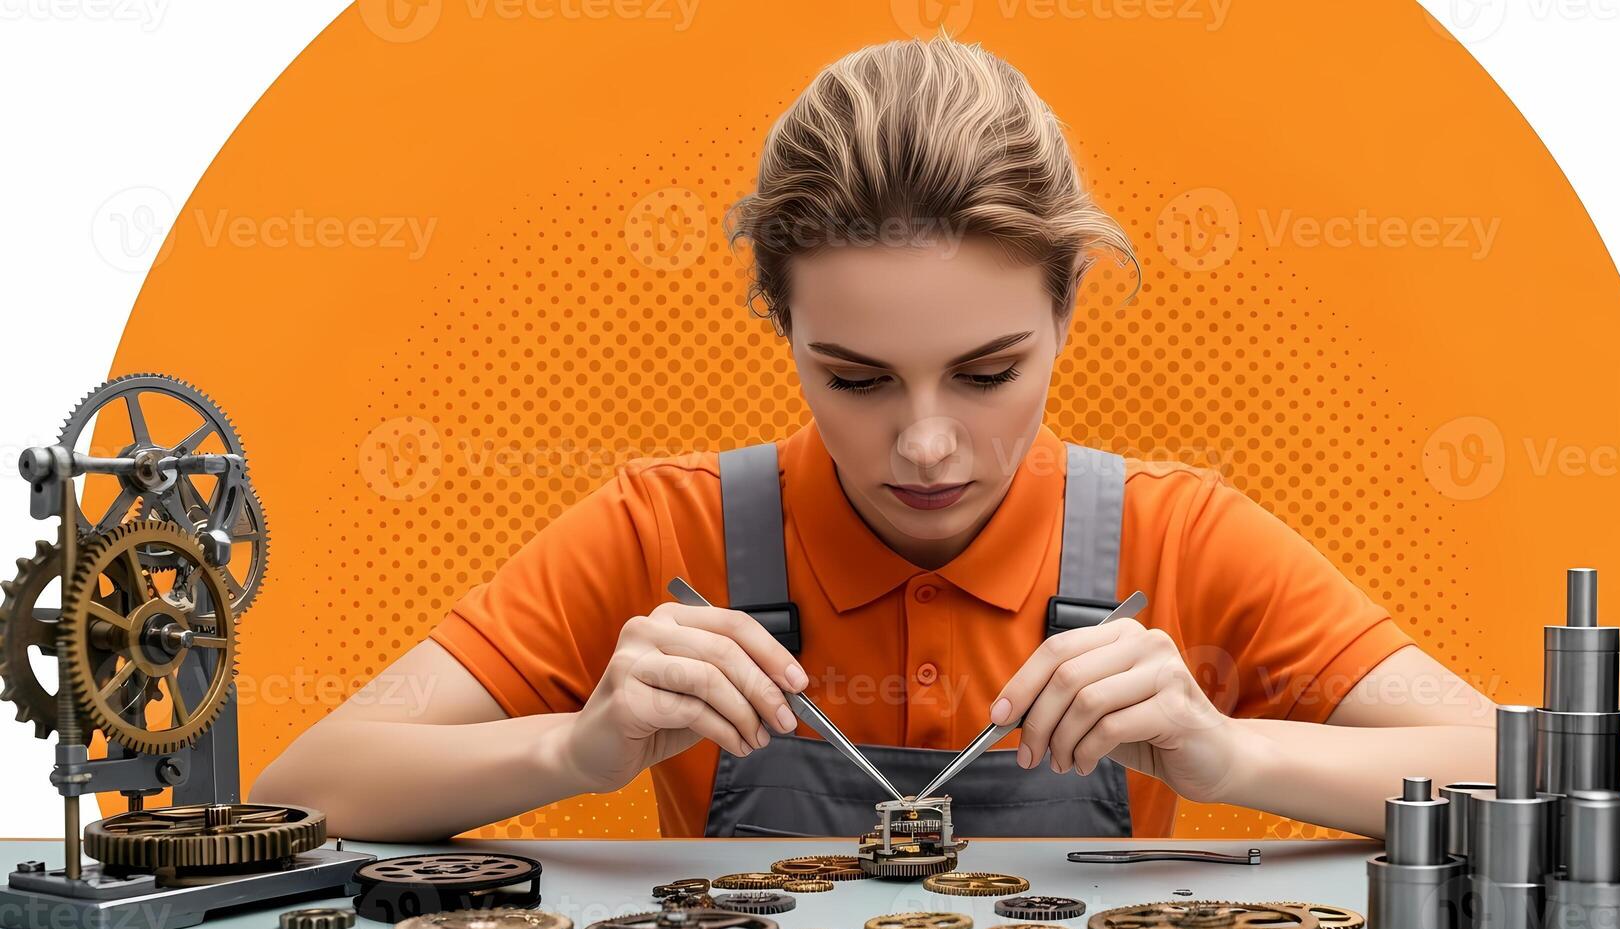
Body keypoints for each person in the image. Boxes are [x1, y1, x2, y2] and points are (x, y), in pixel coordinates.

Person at [256, 34, 1495, 843]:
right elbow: (297, 793)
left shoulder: (1180, 534)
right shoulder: (664, 530)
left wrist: (1226, 752)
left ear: (1066, 311)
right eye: (852, 377)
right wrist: (578, 746)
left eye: (989, 371)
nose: (927, 445)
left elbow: (1514, 771)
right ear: (778, 320)